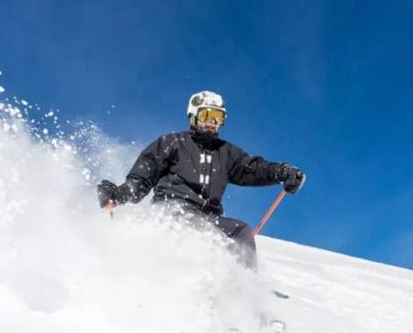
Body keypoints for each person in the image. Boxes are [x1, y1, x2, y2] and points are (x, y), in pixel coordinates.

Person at [96, 91, 305, 268]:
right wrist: (120, 193)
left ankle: (242, 293)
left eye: (218, 118)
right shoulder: (172, 143)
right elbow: (143, 177)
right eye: (206, 116)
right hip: (173, 211)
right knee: (203, 232)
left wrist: (281, 172)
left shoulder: (225, 152)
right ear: (193, 116)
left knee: (241, 231)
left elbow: (253, 168)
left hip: (206, 217)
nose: (211, 123)